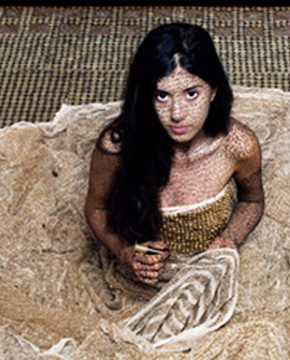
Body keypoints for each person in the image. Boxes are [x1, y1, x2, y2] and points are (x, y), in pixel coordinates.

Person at [85, 22, 264, 288]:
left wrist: (230, 238)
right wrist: (124, 252)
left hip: (208, 274)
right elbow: (97, 207)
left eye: (192, 94)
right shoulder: (118, 147)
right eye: (162, 96)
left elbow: (252, 201)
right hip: (141, 281)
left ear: (213, 91)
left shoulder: (237, 145)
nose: (177, 114)